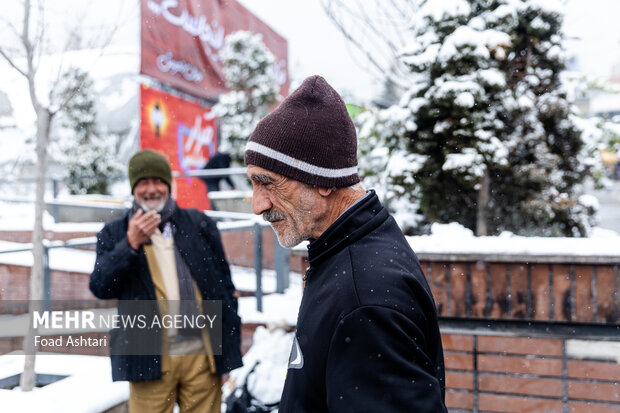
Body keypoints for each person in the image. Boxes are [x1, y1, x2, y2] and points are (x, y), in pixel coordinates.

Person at [244, 75, 447, 412]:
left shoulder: (363, 297)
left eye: (268, 183)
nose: (258, 205)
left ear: (323, 180)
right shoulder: (350, 249)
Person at [90, 149, 242, 413]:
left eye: (158, 181)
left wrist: (226, 354)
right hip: (148, 357)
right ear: (133, 188)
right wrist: (130, 244)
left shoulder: (198, 224)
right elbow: (101, 286)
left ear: (168, 185)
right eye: (143, 182)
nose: (151, 189)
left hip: (202, 357)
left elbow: (224, 290)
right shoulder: (114, 233)